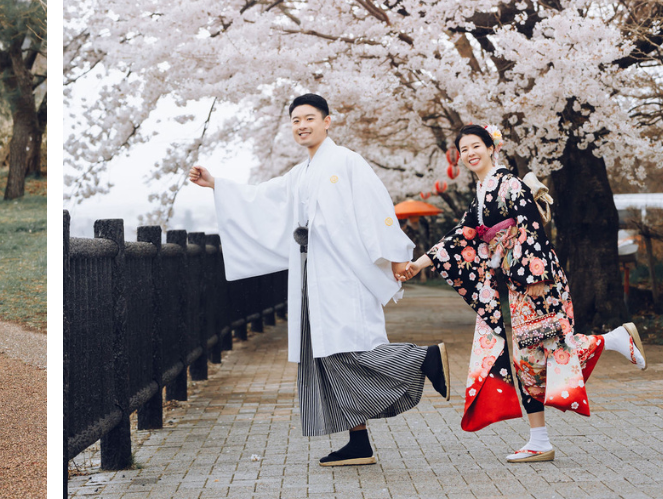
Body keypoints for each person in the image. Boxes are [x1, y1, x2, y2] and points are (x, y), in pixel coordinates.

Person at [189, 94, 449, 467]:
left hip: (345, 272)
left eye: (309, 118)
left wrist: (394, 257)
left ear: (328, 122)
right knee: (324, 353)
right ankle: (358, 441)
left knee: (349, 347)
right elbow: (265, 198)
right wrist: (218, 184)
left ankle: (423, 358)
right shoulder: (301, 173)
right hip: (313, 275)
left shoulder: (346, 161)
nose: (301, 125)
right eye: (295, 120)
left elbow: (376, 207)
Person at [399, 124, 646, 462]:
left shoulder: (510, 184)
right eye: (464, 149)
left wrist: (536, 274)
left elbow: (531, 227)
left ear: (491, 148)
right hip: (519, 282)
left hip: (536, 278)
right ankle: (543, 434)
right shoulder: (484, 192)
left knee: (536, 354)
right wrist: (419, 264)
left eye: (476, 146)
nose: (470, 153)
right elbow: (461, 237)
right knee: (534, 355)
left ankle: (610, 345)